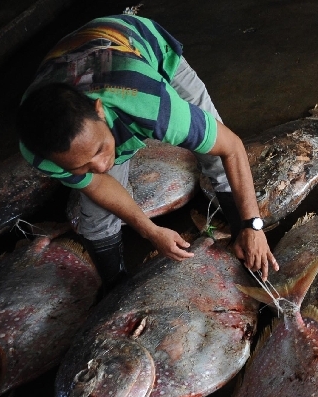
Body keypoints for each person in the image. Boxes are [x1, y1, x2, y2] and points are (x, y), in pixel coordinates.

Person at [16, 13, 278, 288]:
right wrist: (151, 231)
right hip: (69, 61)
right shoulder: (39, 149)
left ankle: (243, 236)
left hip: (139, 44)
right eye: (81, 166)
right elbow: (99, 185)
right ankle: (115, 288)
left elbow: (231, 147)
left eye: (100, 150)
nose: (103, 166)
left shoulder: (152, 104)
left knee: (213, 156)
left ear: (100, 111)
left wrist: (253, 224)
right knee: (95, 216)